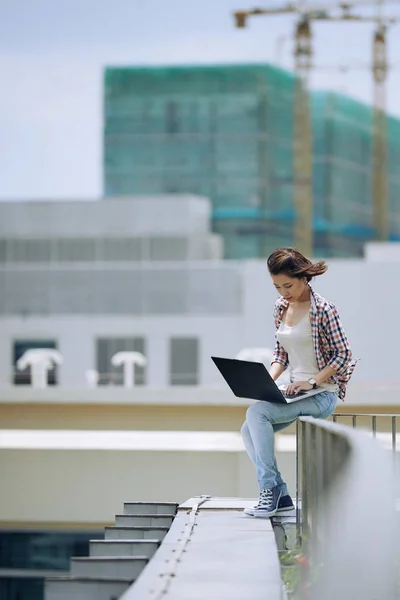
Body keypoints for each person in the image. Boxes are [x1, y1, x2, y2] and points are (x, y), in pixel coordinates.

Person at [241, 247, 357, 518]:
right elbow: (281, 352)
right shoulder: (281, 307)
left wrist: (313, 381)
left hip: (322, 394)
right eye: (277, 286)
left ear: (304, 278)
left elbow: (344, 355)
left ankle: (269, 490)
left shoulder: (324, 310)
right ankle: (280, 493)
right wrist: (266, 382)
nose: (283, 292)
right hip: (295, 391)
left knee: (257, 413)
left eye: (288, 285)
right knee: (249, 429)